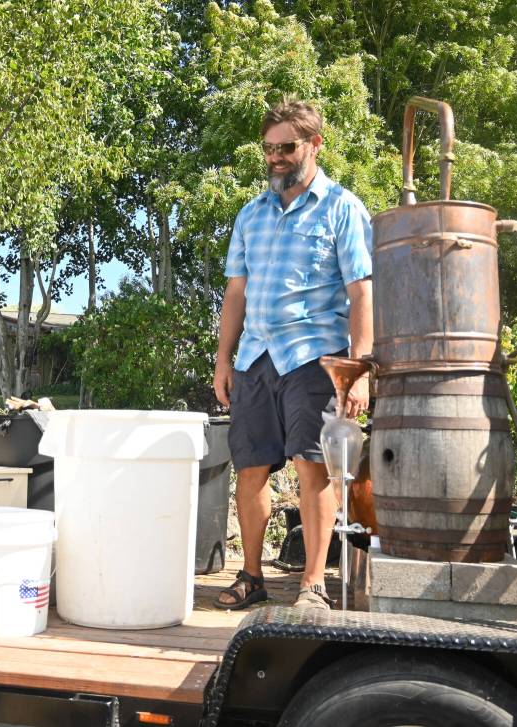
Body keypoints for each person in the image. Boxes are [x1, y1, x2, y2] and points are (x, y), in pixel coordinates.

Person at [212, 101, 373, 611]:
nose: (276, 157)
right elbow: (236, 293)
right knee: (251, 468)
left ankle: (312, 585)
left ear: (314, 145)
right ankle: (251, 577)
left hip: (315, 358)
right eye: (269, 148)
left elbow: (362, 292)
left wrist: (359, 371)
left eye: (287, 147)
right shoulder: (250, 214)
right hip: (255, 358)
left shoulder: (342, 207)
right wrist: (223, 360)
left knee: (312, 468)